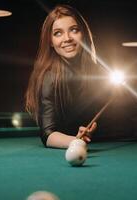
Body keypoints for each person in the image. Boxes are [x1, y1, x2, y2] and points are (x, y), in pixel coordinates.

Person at [25, 5, 108, 148]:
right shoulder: (49, 78)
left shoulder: (99, 72)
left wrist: (94, 127)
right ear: (50, 41)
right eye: (58, 33)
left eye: (74, 30)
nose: (67, 38)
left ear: (83, 34)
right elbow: (48, 134)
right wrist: (75, 141)